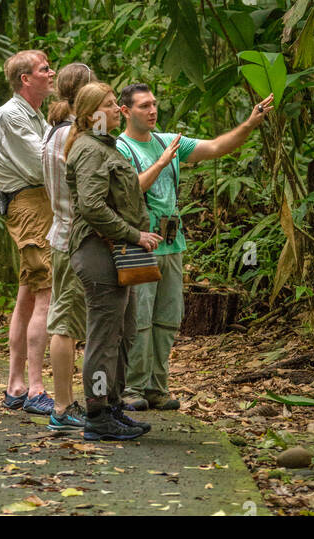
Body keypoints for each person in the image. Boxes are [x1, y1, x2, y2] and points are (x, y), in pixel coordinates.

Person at [117, 83, 274, 412]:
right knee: (140, 320)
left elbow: (217, 147)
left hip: (172, 244)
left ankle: (157, 387)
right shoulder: (120, 148)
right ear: (125, 112)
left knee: (168, 318)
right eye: (144, 106)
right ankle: (131, 388)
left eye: (154, 104)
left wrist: (250, 123)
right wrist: (160, 163)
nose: (152, 110)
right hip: (140, 244)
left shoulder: (168, 140)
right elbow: (130, 191)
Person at [65, 81, 161, 442]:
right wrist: (135, 235)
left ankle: (113, 405)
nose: (115, 109)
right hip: (97, 252)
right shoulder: (91, 149)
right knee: (104, 336)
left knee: (123, 332)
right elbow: (91, 205)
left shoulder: (106, 146)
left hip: (118, 254)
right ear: (93, 116)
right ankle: (96, 414)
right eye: (109, 104)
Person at [0, 49, 57, 414]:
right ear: (25, 79)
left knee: (29, 292)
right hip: (29, 203)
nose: (52, 72)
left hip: (37, 202)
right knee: (46, 290)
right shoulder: (12, 115)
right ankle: (35, 389)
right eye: (45, 69)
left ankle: (16, 385)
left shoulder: (33, 114)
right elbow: (41, 161)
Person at [40, 62, 93, 433]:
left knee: (70, 320)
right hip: (74, 235)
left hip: (61, 232)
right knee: (66, 323)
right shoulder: (70, 134)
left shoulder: (52, 131)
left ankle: (71, 401)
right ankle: (61, 406)